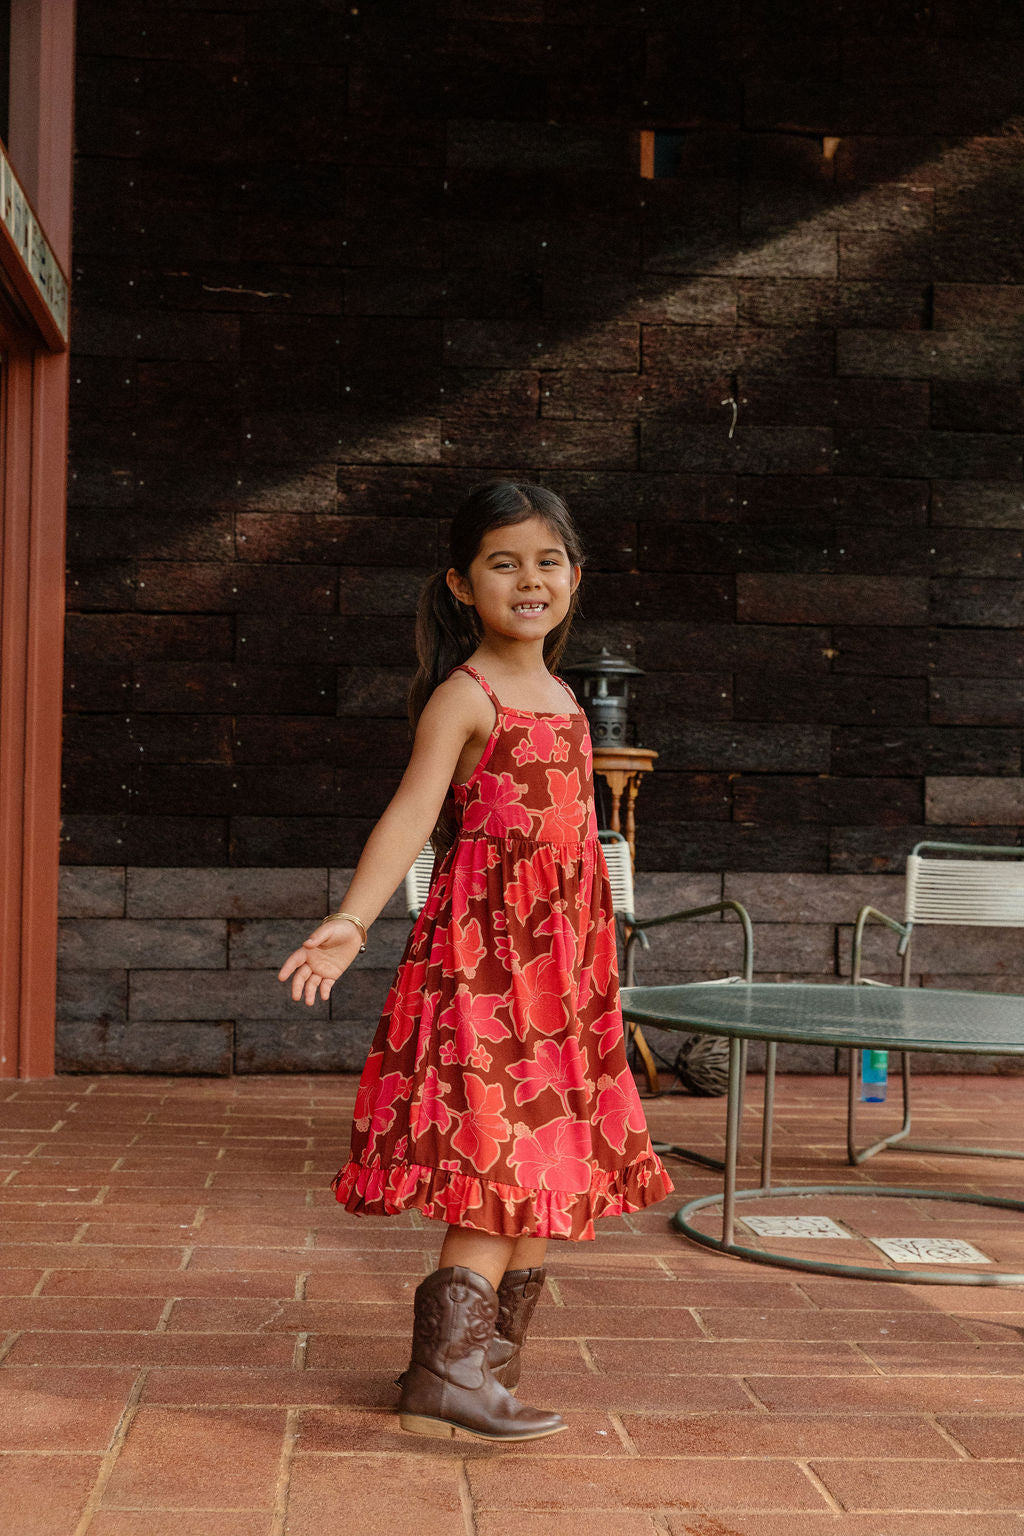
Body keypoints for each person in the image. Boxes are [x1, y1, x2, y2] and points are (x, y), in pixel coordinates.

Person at [278, 478, 673, 1442]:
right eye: (504, 563)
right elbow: (412, 813)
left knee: (550, 1161)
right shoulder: (469, 697)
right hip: (487, 967)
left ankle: (477, 1370)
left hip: (563, 973)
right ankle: (447, 1371)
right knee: (504, 1157)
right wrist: (352, 920)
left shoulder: (571, 700)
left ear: (575, 579)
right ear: (463, 584)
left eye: (547, 561)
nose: (528, 579)